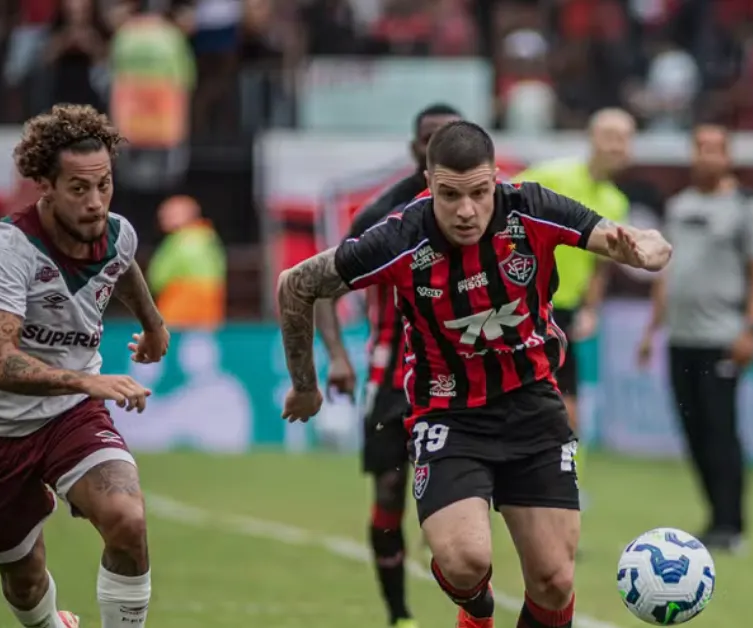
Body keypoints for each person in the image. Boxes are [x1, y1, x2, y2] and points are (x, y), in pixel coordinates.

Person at [276, 121, 672, 628]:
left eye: (479, 193)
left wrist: (647, 246)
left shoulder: (531, 206)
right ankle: (477, 614)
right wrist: (305, 384)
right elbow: (296, 285)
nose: (466, 211)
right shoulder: (400, 235)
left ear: (495, 180)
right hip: (449, 413)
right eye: (450, 195)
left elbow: (614, 238)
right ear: (428, 182)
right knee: (466, 562)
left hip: (533, 406)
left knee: (553, 582)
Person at [0, 104, 171, 628]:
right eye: (78, 189)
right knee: (23, 581)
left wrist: (154, 323)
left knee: (127, 519)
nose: (95, 204)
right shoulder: (8, 251)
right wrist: (87, 378)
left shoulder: (116, 232)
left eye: (104, 185)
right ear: (45, 184)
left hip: (71, 414)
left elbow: (124, 264)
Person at [314, 102, 462, 628]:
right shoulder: (383, 215)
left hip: (467, 382)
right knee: (388, 493)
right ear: (415, 150)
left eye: (450, 137)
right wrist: (334, 356)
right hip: (394, 379)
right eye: (430, 138)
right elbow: (320, 287)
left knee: (462, 501)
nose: (439, 145)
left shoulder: (488, 209)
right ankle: (399, 614)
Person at [637, 124, 753, 552]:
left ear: (728, 156)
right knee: (692, 430)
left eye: (715, 149)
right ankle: (714, 517)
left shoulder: (746, 207)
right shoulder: (679, 206)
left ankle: (732, 525)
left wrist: (751, 328)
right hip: (681, 336)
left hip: (721, 335)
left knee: (721, 429)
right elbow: (665, 273)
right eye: (700, 148)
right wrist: (651, 329)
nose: (706, 157)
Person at [512, 107, 634, 471]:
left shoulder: (616, 201)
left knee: (568, 403)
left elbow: (601, 267)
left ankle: (562, 475)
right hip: (522, 305)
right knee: (516, 395)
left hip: (562, 312)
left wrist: (591, 309)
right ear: (591, 138)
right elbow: (503, 204)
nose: (616, 146)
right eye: (609, 136)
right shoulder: (553, 175)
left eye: (624, 139)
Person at [147, 195, 227, 328]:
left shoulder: (181, 242)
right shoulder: (208, 238)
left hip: (180, 308)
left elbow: (159, 276)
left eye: (169, 213)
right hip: (208, 310)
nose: (162, 217)